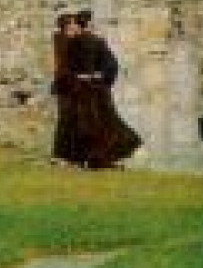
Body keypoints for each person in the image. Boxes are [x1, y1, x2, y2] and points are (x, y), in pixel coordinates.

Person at [65, 10, 142, 169]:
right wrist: (104, 79)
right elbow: (112, 64)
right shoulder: (99, 41)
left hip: (80, 88)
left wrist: (76, 81)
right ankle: (99, 158)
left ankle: (87, 159)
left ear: (78, 24)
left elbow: (69, 68)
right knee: (106, 122)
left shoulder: (72, 43)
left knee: (84, 123)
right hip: (97, 87)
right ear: (90, 23)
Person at [49, 12, 85, 166]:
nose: (75, 26)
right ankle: (61, 155)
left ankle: (72, 156)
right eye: (71, 24)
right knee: (66, 120)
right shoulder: (62, 40)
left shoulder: (66, 39)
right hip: (66, 85)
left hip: (70, 85)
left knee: (73, 120)